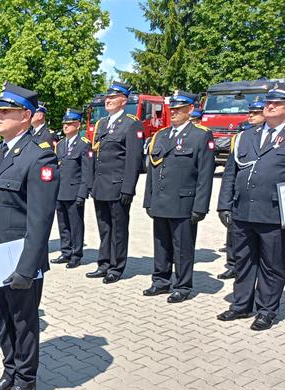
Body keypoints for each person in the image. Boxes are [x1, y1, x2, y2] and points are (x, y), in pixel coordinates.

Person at [0, 83, 58, 390]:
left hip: (19, 258)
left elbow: (40, 221)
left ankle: (26, 380)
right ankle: (9, 371)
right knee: (2, 319)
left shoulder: (39, 157)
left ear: (25, 116)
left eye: (5, 112)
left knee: (24, 322)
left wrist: (27, 266)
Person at [216, 84, 285, 330]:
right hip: (243, 211)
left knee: (272, 265)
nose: (270, 106)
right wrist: (224, 205)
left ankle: (266, 310)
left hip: (274, 214)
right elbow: (230, 174)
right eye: (268, 102)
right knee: (243, 261)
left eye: (276, 103)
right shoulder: (246, 136)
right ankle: (241, 305)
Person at [142, 90, 215, 303]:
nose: (173, 112)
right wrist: (149, 199)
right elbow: (152, 172)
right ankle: (161, 280)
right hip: (161, 201)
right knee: (161, 244)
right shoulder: (161, 135)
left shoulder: (200, 135)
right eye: (171, 109)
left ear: (190, 109)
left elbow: (205, 174)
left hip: (184, 202)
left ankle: (182, 286)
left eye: (179, 109)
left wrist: (200, 207)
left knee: (182, 247)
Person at [86, 81, 144, 283]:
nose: (107, 100)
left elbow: (133, 159)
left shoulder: (131, 123)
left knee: (118, 228)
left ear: (123, 100)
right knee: (104, 227)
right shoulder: (102, 123)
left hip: (118, 185)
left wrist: (129, 188)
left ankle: (116, 267)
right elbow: (96, 155)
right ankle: (103, 263)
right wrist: (91, 183)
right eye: (107, 97)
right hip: (101, 185)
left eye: (112, 97)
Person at [218, 98, 266, 280]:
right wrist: (225, 203)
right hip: (241, 201)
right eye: (250, 112)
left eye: (255, 113)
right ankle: (233, 264)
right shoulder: (242, 136)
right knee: (234, 235)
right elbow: (230, 172)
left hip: (264, 205)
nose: (251, 116)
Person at [51, 108, 92, 268]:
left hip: (75, 192)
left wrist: (82, 193)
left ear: (78, 125)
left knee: (75, 225)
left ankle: (76, 254)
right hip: (60, 191)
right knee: (63, 224)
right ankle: (65, 251)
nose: (65, 126)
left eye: (69, 124)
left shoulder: (83, 145)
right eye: (64, 124)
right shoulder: (60, 145)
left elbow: (86, 171)